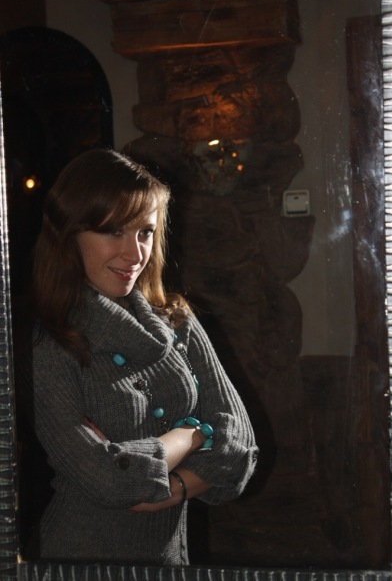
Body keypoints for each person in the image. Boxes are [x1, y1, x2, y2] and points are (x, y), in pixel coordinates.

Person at [26, 148, 258, 565]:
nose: (135, 254)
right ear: (70, 234)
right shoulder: (50, 342)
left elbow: (240, 447)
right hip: (79, 563)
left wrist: (172, 490)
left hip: (170, 560)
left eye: (145, 232)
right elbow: (109, 481)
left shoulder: (177, 319)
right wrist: (192, 434)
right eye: (114, 231)